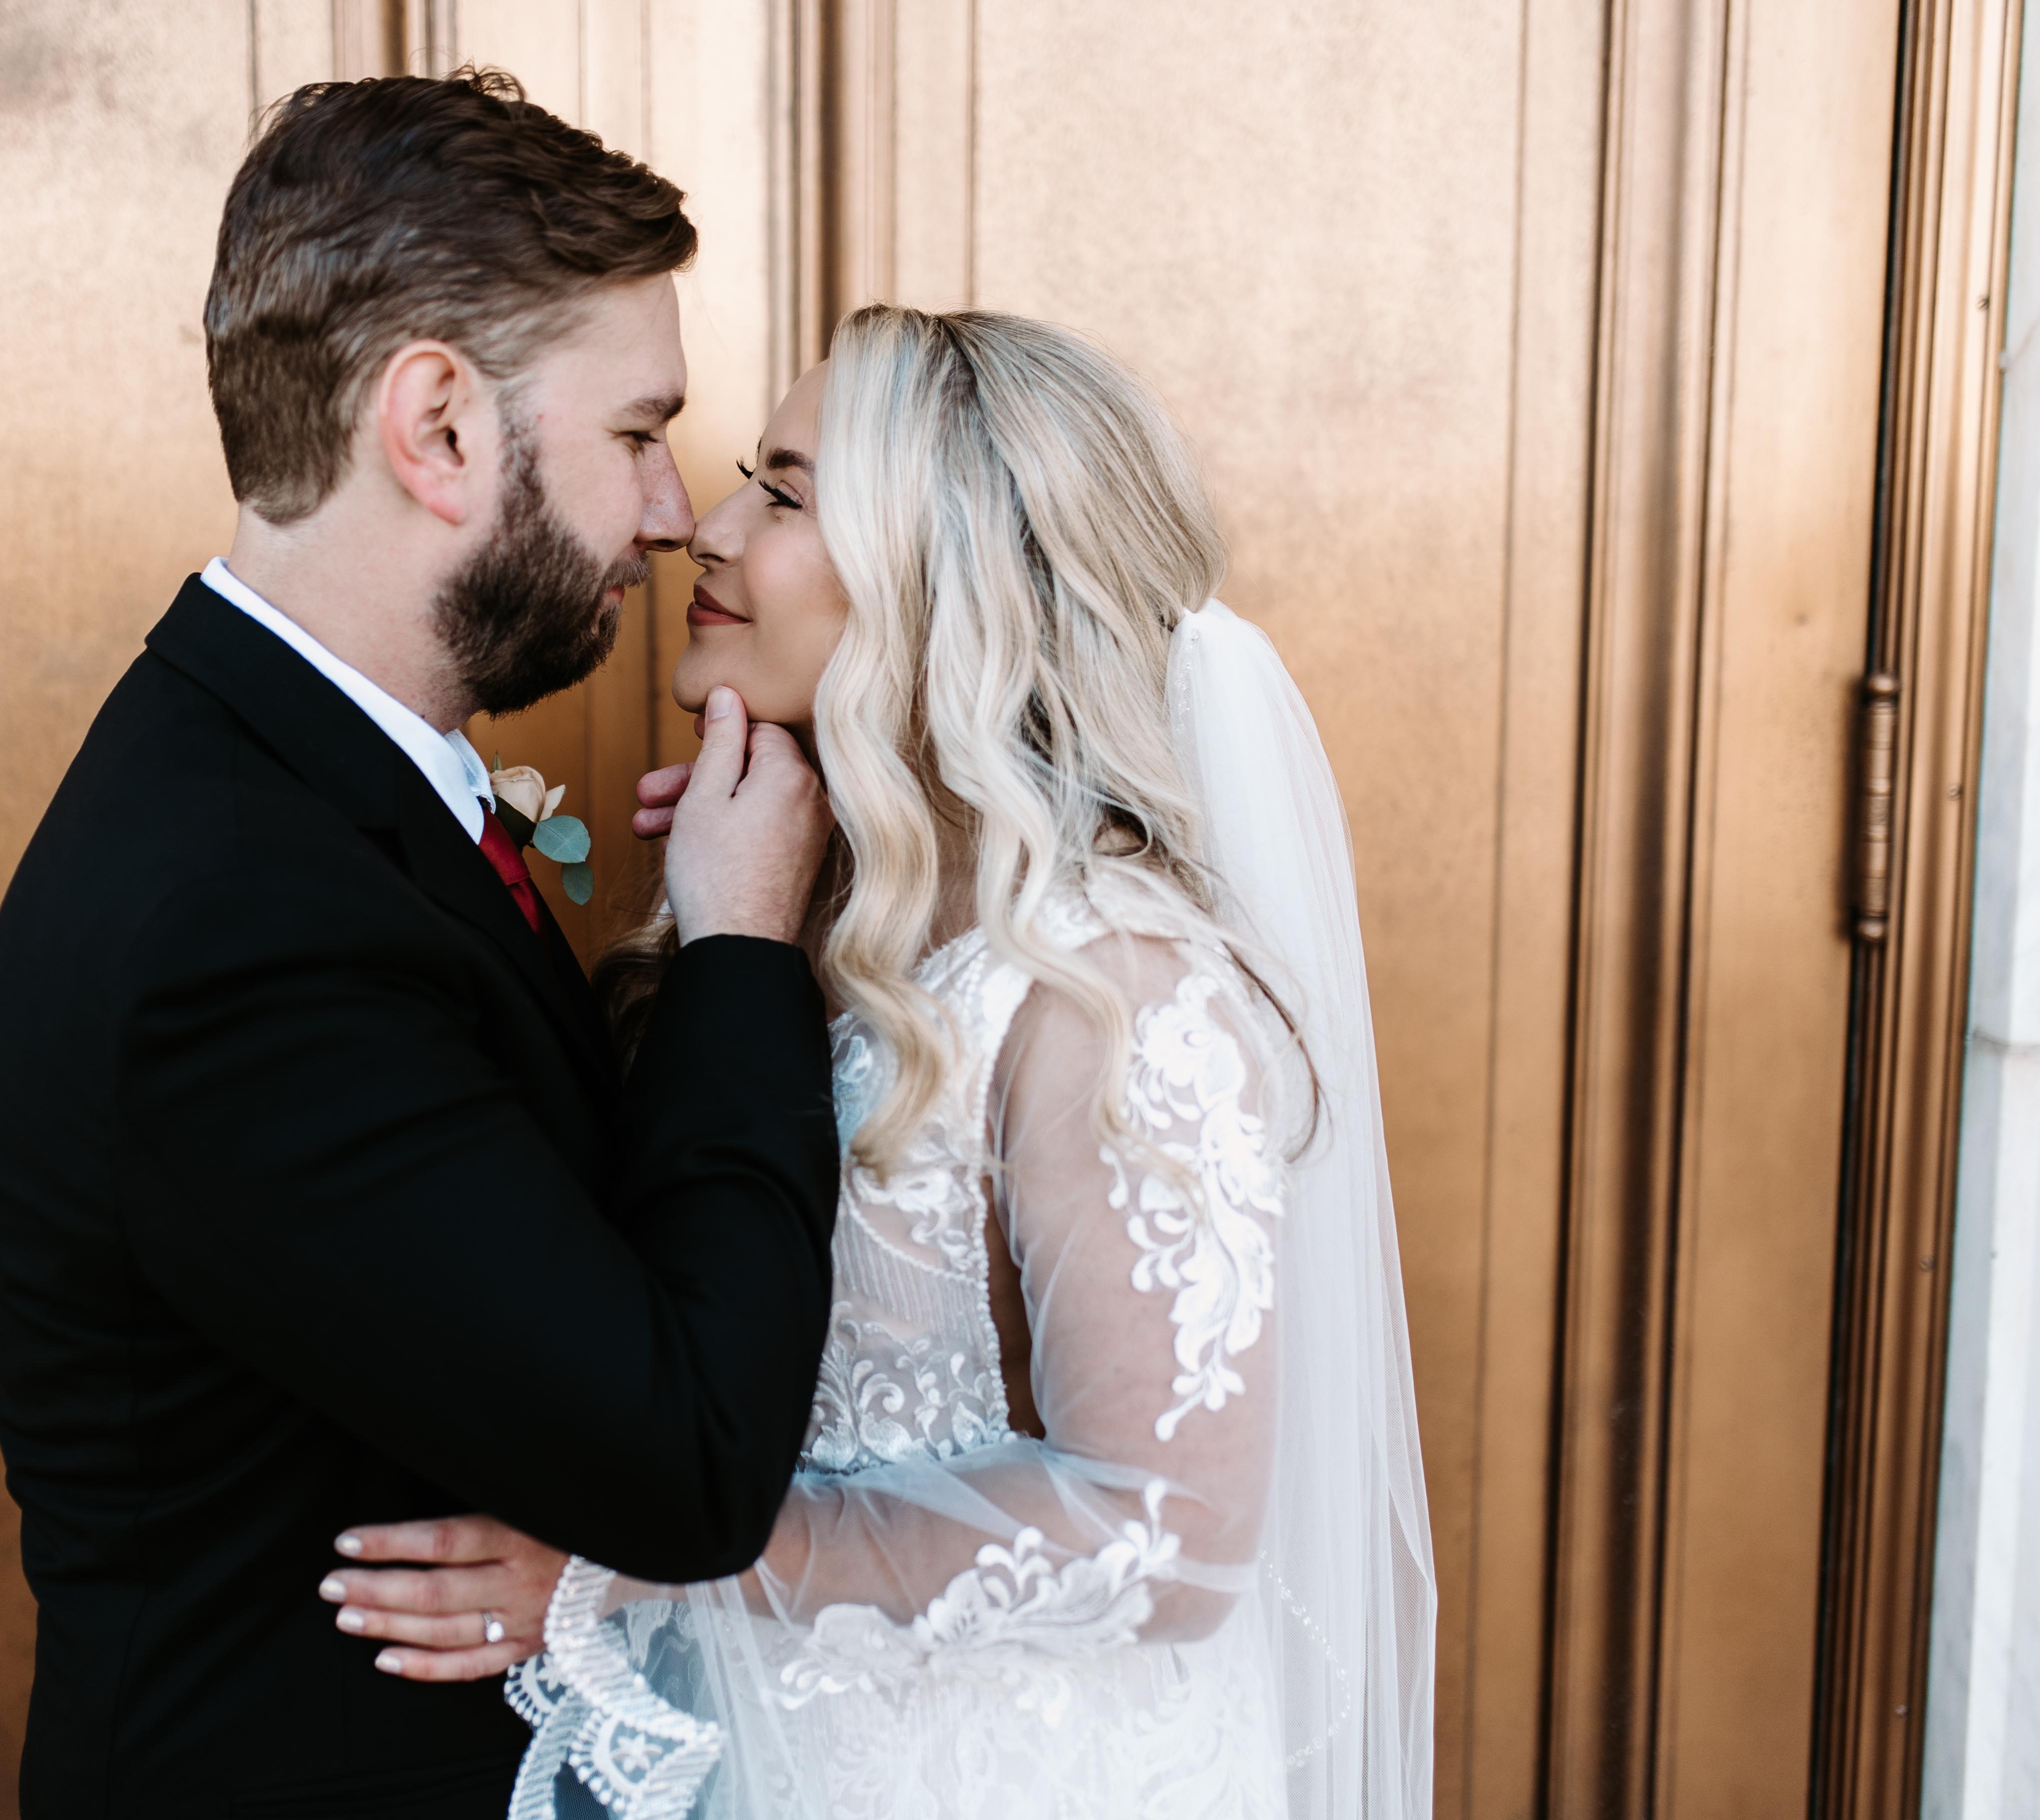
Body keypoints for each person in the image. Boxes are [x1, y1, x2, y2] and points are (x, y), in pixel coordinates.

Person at [322, 307, 1438, 1819]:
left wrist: (651, 1562)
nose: (707, 530)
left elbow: (1165, 1542)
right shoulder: (800, 916)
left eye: (785, 495)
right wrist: (739, 929)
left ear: (949, 578)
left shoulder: (1112, 985)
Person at [0, 71, 844, 1818]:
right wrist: (742, 949)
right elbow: (684, 1460)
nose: (674, 512)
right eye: (636, 434)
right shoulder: (241, 921)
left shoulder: (292, 784)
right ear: (436, 427)